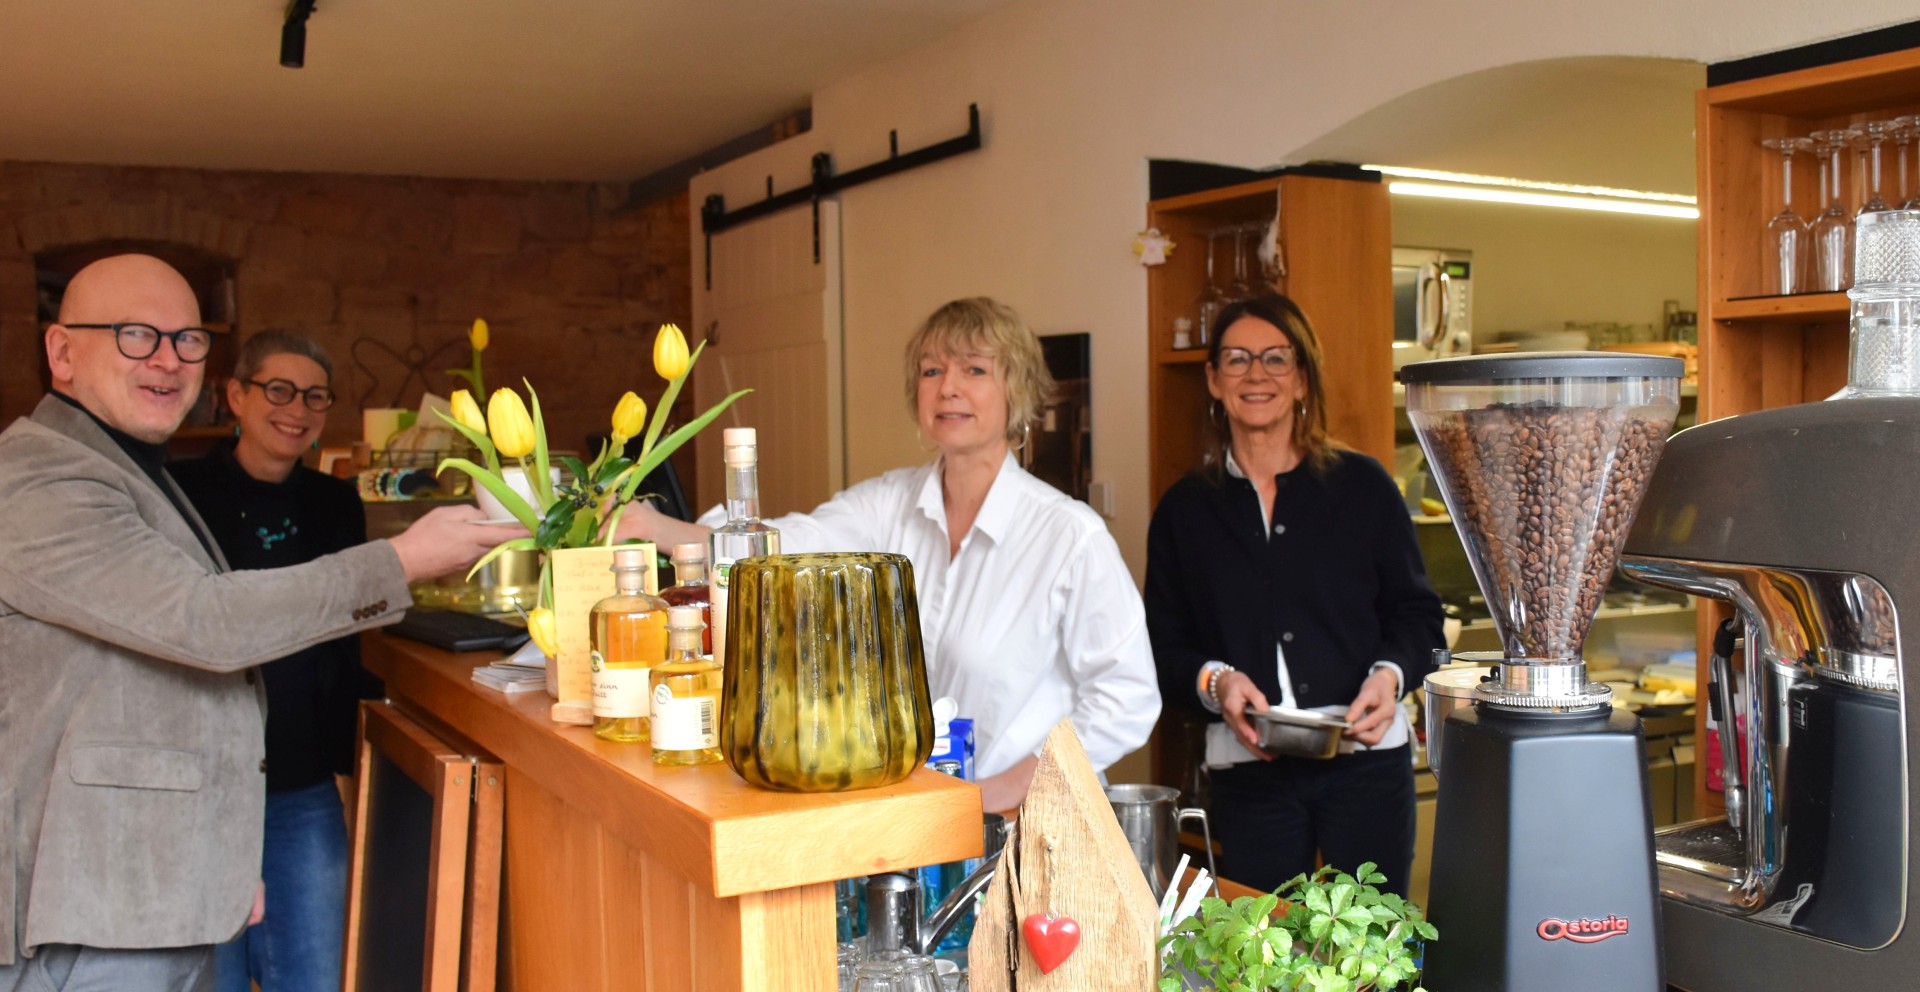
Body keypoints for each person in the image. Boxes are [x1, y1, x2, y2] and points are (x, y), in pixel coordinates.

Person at [0, 254, 519, 992]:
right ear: (61, 350)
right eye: (136, 335)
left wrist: (221, 851)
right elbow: (206, 622)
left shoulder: (129, 465)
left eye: (188, 340)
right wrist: (401, 559)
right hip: (94, 908)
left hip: (154, 883)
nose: (168, 359)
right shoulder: (41, 477)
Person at [624, 297, 1159, 812]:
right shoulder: (889, 504)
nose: (948, 388)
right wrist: (650, 525)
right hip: (916, 817)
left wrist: (1007, 789)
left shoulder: (1069, 536)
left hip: (1030, 827)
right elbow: (786, 541)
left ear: (1016, 391)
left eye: (973, 370)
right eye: (931, 372)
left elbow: (1127, 699)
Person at [1144, 294, 1444, 896]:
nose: (1257, 375)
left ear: (1302, 378)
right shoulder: (1185, 509)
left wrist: (1387, 679)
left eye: (1276, 359)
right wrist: (1216, 681)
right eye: (1237, 359)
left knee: (1372, 953)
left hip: (1367, 762)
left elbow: (1418, 619)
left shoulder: (1363, 488)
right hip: (1246, 770)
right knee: (1260, 952)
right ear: (1213, 379)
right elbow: (1162, 647)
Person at [168, 330, 373, 992]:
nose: (297, 409)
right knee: (212, 979)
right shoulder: (179, 493)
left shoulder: (335, 502)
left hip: (300, 780)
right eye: (278, 390)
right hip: (201, 786)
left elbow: (349, 624)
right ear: (236, 395)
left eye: (315, 396)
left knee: (316, 975)